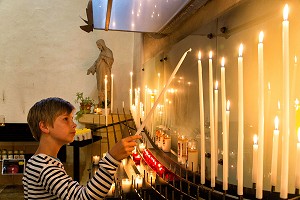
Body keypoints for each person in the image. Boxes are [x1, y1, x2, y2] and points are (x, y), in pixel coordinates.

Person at [23, 97, 141, 199]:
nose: (73, 124)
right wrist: (112, 158)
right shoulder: (45, 166)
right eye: (65, 119)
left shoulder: (39, 161)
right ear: (44, 126)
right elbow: (85, 197)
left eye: (72, 118)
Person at [87, 39, 114, 105]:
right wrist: (91, 68)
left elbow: (111, 61)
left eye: (98, 45)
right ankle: (101, 102)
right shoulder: (101, 52)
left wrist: (104, 58)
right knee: (100, 87)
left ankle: (106, 103)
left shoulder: (108, 51)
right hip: (99, 73)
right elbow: (97, 62)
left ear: (102, 44)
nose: (98, 47)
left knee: (105, 86)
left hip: (105, 72)